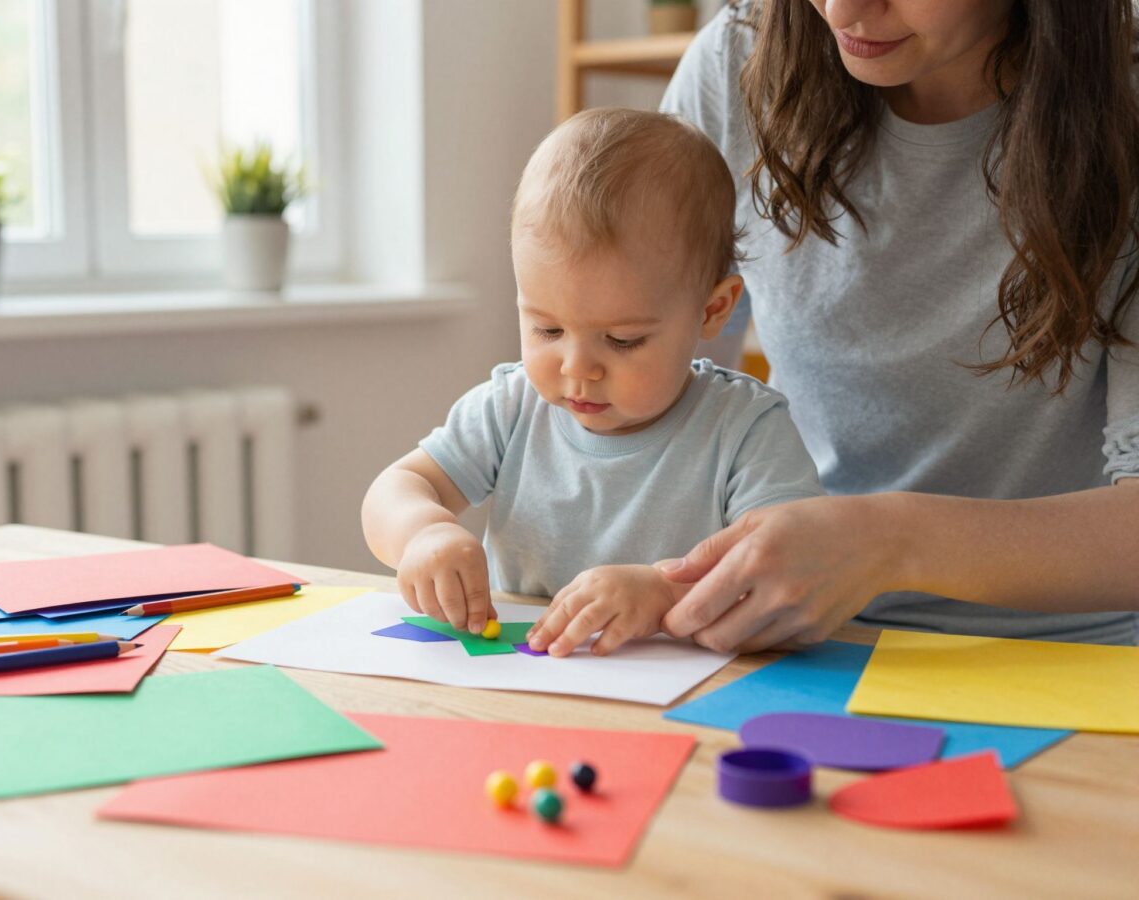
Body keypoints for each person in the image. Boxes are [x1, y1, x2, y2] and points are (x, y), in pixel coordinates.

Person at [654, 0, 1139, 651]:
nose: (843, 9)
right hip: (792, 640)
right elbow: (650, 377)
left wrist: (888, 541)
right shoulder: (739, 60)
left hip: (1070, 655)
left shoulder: (1126, 111)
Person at [362, 107, 824, 657]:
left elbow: (792, 572)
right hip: (521, 685)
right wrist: (422, 532)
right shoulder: (512, 408)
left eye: (623, 340)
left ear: (711, 310)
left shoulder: (745, 430)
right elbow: (395, 489)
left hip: (682, 698)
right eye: (547, 328)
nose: (576, 367)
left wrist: (661, 594)